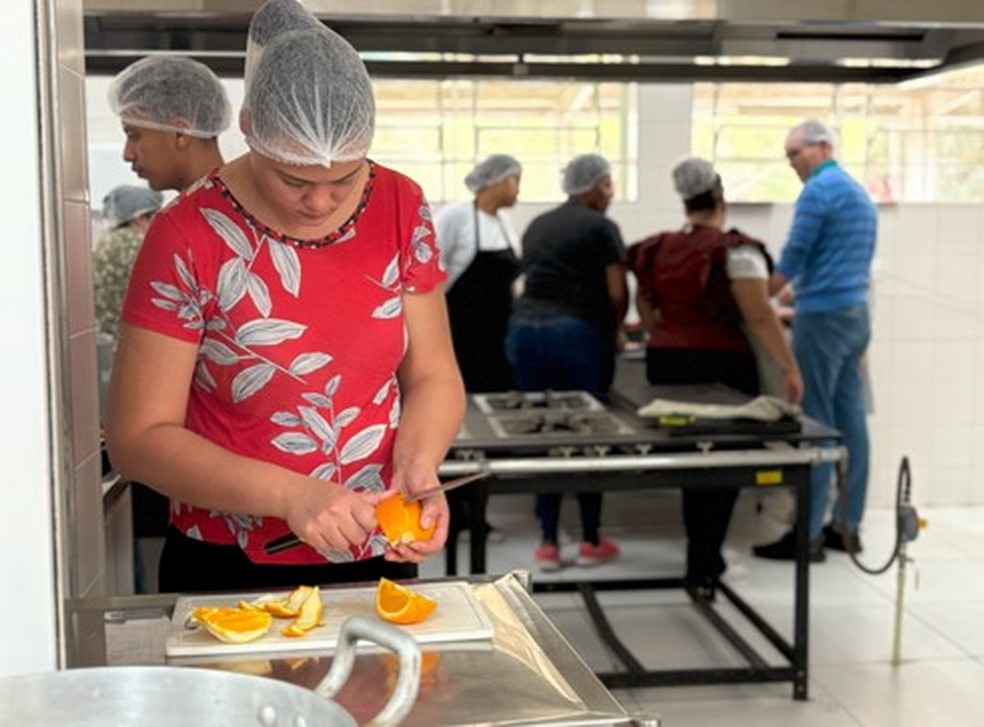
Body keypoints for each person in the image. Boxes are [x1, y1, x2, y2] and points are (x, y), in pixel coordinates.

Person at [106, 0, 465, 593]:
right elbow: (138, 437)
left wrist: (417, 463)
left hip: (376, 547)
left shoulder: (400, 205)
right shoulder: (188, 233)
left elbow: (433, 374)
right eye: (294, 179)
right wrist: (291, 495)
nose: (320, 203)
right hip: (228, 563)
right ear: (249, 130)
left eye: (344, 179)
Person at [629, 157, 804, 599]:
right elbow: (759, 314)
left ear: (687, 204)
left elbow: (646, 307)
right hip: (720, 365)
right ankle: (705, 564)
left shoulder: (657, 248)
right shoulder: (738, 250)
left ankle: (702, 559)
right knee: (721, 464)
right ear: (721, 203)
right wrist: (788, 365)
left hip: (666, 361)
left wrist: (668, 333)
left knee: (692, 462)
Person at [753, 119, 877, 562]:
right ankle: (847, 527)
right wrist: (792, 293)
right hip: (855, 316)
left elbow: (796, 255)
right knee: (851, 422)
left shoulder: (819, 192)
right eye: (787, 156)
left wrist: (758, 299)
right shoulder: (856, 193)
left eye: (796, 154)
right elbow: (832, 262)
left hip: (822, 321)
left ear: (822, 146)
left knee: (817, 425)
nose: (792, 164)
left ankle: (806, 537)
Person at [506, 153, 628, 571]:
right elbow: (616, 291)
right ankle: (591, 539)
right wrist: (616, 332)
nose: (610, 193)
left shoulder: (538, 224)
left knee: (542, 433)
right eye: (609, 184)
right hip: (576, 335)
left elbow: (521, 287)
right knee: (588, 432)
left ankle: (547, 543)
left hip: (526, 333)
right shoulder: (601, 227)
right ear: (593, 186)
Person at [435, 154, 522, 393]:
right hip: (461, 325)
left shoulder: (504, 221)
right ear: (498, 181)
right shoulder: (455, 216)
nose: (518, 190)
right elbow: (430, 266)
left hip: (500, 325)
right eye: (516, 181)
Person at [108, 56, 231, 193]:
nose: (127, 155)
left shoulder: (189, 213)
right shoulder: (246, 204)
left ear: (180, 133)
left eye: (134, 135)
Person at [93, 185, 164, 339]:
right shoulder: (139, 245)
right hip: (134, 338)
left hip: (107, 337)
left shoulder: (105, 243)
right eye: (155, 216)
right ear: (139, 218)